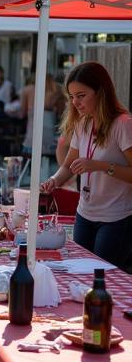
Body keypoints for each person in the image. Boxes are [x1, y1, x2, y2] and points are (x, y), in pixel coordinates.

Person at [42, 61, 132, 271]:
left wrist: (99, 165)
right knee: (77, 273)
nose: (75, 102)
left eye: (81, 96)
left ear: (101, 92)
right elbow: (67, 166)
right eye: (72, 97)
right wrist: (54, 181)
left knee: (100, 278)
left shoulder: (123, 124)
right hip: (84, 214)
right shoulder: (83, 124)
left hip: (116, 219)